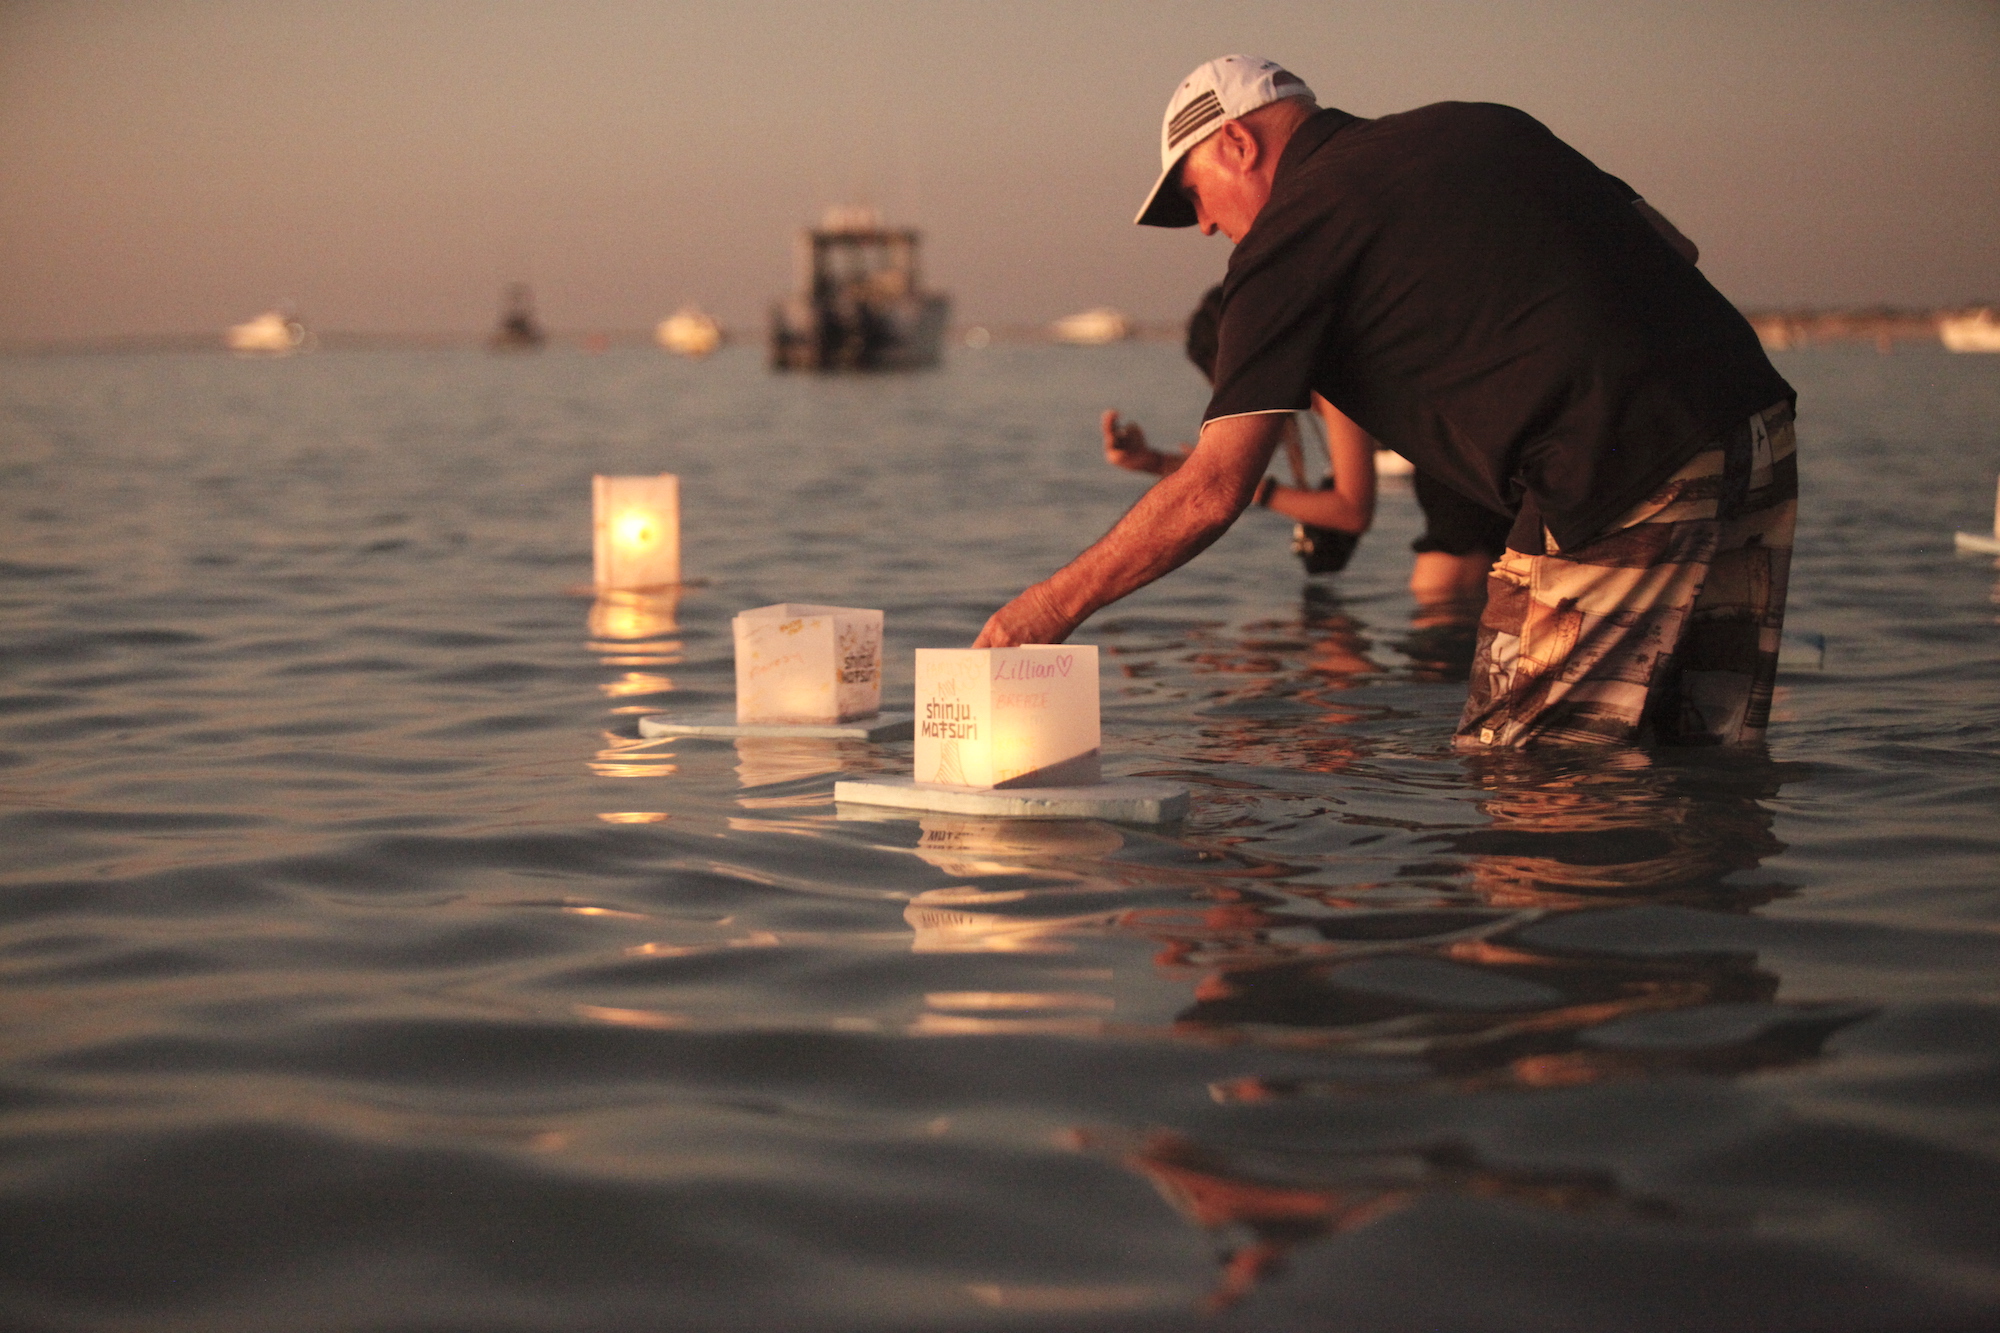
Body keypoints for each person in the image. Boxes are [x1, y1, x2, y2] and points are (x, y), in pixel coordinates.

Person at [976, 55, 1796, 748]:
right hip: (1751, 423)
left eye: (1193, 197)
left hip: (1611, 471)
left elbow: (1215, 488)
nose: (1202, 229)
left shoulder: (1288, 234)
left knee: (1531, 793)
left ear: (1234, 141)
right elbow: (1672, 245)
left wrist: (1041, 612)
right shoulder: (1483, 125)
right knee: (1701, 766)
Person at [1103, 283, 1511, 605]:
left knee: (1434, 603)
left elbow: (1351, 512)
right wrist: (1162, 463)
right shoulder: (1354, 359)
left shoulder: (1334, 383)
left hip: (1471, 503)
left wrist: (1254, 490)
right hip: (1491, 480)